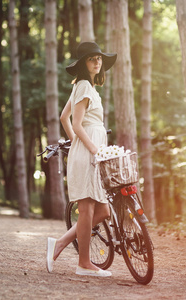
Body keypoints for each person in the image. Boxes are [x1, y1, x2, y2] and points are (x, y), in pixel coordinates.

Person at [46, 42, 117, 277]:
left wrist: (77, 144)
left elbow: (63, 116)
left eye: (99, 58)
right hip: (90, 152)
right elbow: (75, 123)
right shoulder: (84, 86)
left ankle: (60, 243)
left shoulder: (84, 87)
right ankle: (84, 264)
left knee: (103, 210)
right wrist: (92, 149)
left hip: (87, 150)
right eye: (91, 59)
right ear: (83, 64)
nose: (97, 62)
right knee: (87, 209)